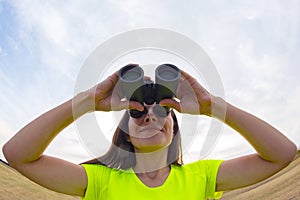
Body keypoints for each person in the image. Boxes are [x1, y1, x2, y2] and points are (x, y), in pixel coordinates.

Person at [2, 64, 297, 200]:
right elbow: (18, 155)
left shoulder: (202, 176)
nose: (150, 116)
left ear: (173, 129)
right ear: (126, 133)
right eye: (137, 112)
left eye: (162, 111)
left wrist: (212, 106)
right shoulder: (100, 180)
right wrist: (87, 102)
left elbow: (281, 154)